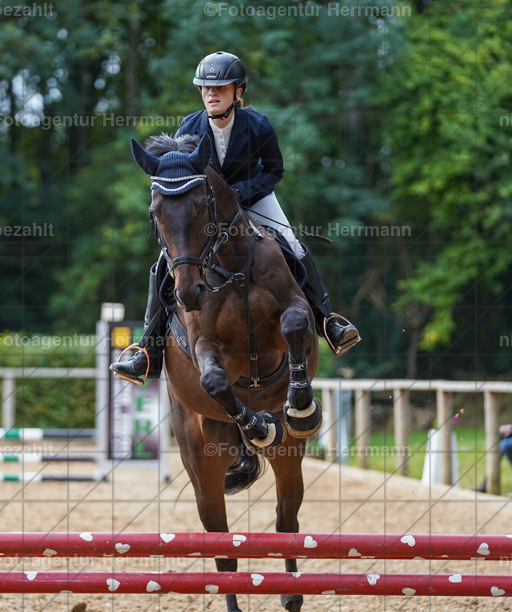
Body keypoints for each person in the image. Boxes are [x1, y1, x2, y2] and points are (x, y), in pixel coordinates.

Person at [111, 51, 360, 384]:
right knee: (163, 264)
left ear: (237, 92)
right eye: (206, 89)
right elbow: (182, 176)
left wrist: (239, 193)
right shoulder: (190, 126)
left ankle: (328, 320)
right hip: (205, 208)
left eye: (220, 88)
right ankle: (147, 350)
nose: (211, 94)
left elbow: (275, 170)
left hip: (254, 198)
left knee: (294, 246)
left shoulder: (257, 125)